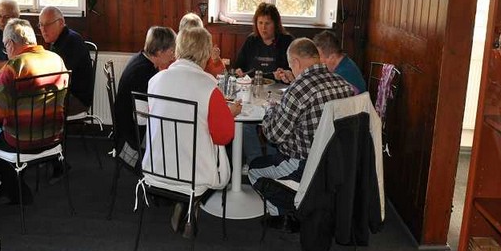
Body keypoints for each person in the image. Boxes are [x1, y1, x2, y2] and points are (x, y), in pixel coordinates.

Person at [142, 27, 241, 233]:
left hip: (155, 167)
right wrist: (228, 114)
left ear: (177, 49)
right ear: (205, 54)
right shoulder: (209, 88)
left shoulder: (154, 81)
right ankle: (190, 202)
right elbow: (224, 137)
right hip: (193, 176)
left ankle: (185, 203)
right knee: (219, 154)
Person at [248, 38, 354, 219]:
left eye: (291, 66)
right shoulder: (342, 84)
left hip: (303, 166)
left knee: (254, 169)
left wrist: (271, 109)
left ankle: (283, 216)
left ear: (296, 62)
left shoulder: (298, 90)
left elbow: (273, 135)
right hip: (336, 164)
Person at [0, 19, 68, 205]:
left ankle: (17, 193)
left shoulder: (13, 67)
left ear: (10, 44)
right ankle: (8, 187)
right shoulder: (56, 59)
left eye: (5, 46)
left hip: (21, 140)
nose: (6, 51)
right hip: (54, 135)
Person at [114, 26, 177, 167]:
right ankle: (163, 172)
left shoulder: (140, 59)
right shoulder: (144, 73)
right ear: (159, 52)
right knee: (175, 131)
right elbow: (141, 119)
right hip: (131, 141)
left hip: (125, 129)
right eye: (172, 51)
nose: (173, 56)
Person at [38, 6, 94, 116]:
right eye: (41, 25)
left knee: (33, 105)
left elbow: (58, 78)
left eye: (47, 24)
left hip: (76, 100)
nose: (43, 29)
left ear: (61, 23)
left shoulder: (70, 43)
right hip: (66, 94)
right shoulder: (60, 39)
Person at [274, 31, 367, 94]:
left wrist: (296, 81)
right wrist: (293, 78)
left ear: (332, 57)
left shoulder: (341, 75)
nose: (315, 60)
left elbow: (312, 92)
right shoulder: (345, 63)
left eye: (318, 56)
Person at [234, 3, 294, 78]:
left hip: (279, 84)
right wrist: (238, 71)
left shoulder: (287, 41)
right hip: (252, 83)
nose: (263, 27)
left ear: (276, 24)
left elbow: (293, 71)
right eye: (260, 23)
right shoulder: (251, 40)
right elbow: (238, 66)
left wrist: (284, 74)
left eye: (267, 23)